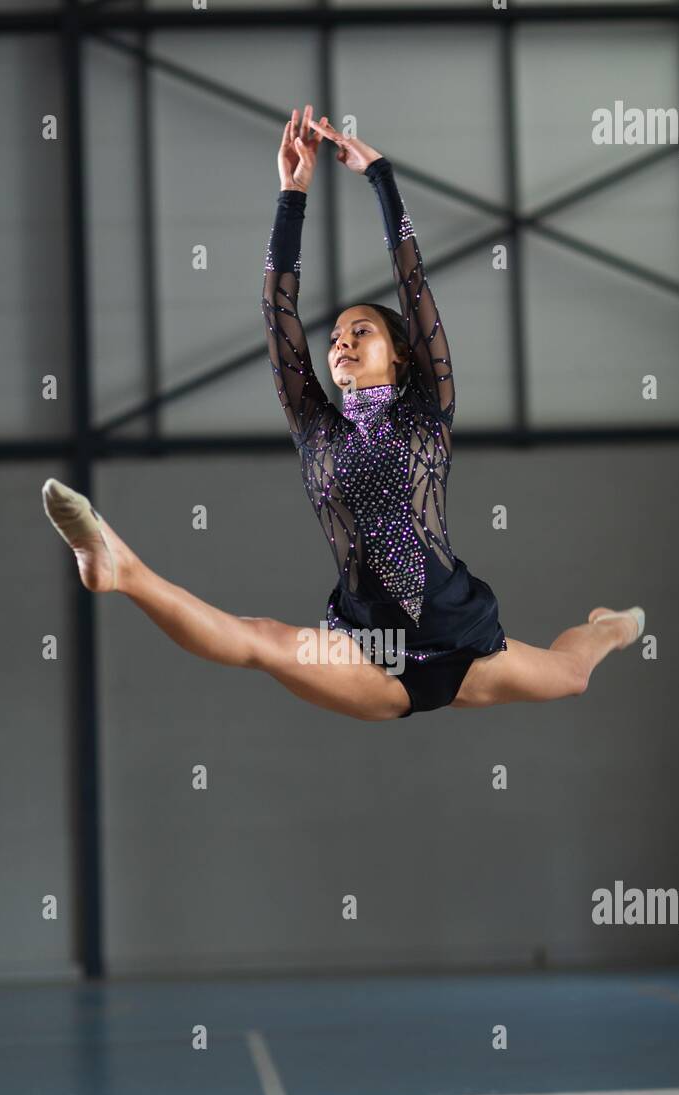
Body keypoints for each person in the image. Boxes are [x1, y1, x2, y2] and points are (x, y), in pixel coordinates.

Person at [41, 105, 643, 722]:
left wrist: (381, 175)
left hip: (463, 642)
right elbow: (279, 311)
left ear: (402, 354)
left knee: (572, 674)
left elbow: (414, 288)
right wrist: (291, 195)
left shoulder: (428, 410)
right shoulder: (317, 429)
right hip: (370, 654)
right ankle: (123, 571)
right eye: (334, 340)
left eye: (361, 331)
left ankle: (613, 626)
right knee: (259, 641)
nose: (342, 343)